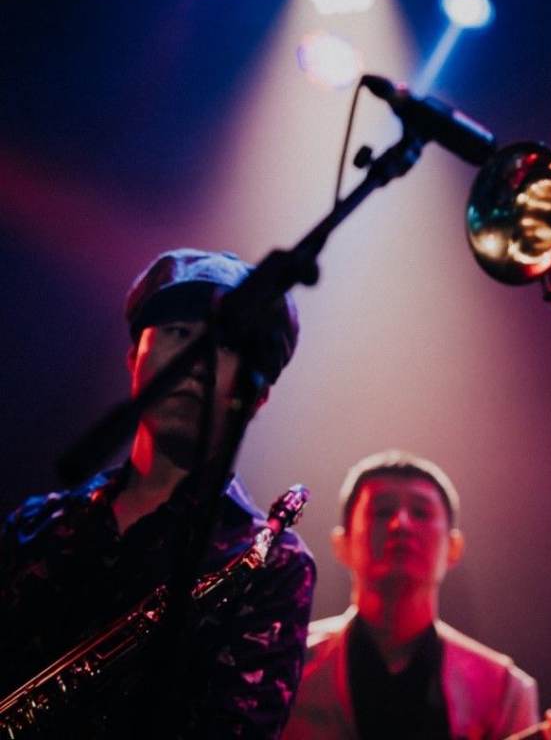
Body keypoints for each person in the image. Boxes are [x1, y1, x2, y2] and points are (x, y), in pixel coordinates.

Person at [0, 248, 316, 738]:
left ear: (257, 396)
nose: (198, 362)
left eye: (226, 345)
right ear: (133, 358)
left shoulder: (273, 565)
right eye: (179, 333)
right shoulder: (33, 526)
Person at [285, 450, 540, 740]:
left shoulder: (502, 689)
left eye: (421, 512)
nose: (401, 524)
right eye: (382, 511)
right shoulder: (285, 664)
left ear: (454, 547)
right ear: (341, 543)